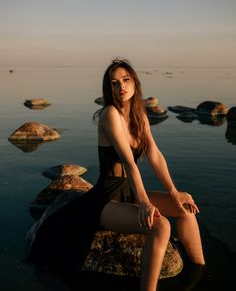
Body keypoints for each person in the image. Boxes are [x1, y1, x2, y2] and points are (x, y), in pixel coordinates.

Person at [27, 58, 205, 291]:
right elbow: (129, 163)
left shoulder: (139, 114)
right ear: (108, 89)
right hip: (106, 198)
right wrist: (143, 203)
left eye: (125, 80)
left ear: (134, 83)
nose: (120, 86)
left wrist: (174, 192)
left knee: (185, 207)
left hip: (128, 190)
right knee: (161, 227)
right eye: (114, 83)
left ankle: (199, 271)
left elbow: (155, 154)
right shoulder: (110, 114)